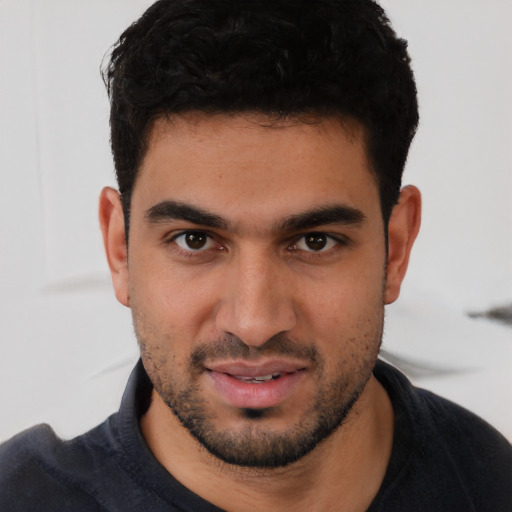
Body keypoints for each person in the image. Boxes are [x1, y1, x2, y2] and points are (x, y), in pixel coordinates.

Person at [1, 0, 511, 510]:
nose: (254, 322)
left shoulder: (490, 482)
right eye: (195, 240)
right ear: (120, 249)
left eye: (315, 241)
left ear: (394, 250)